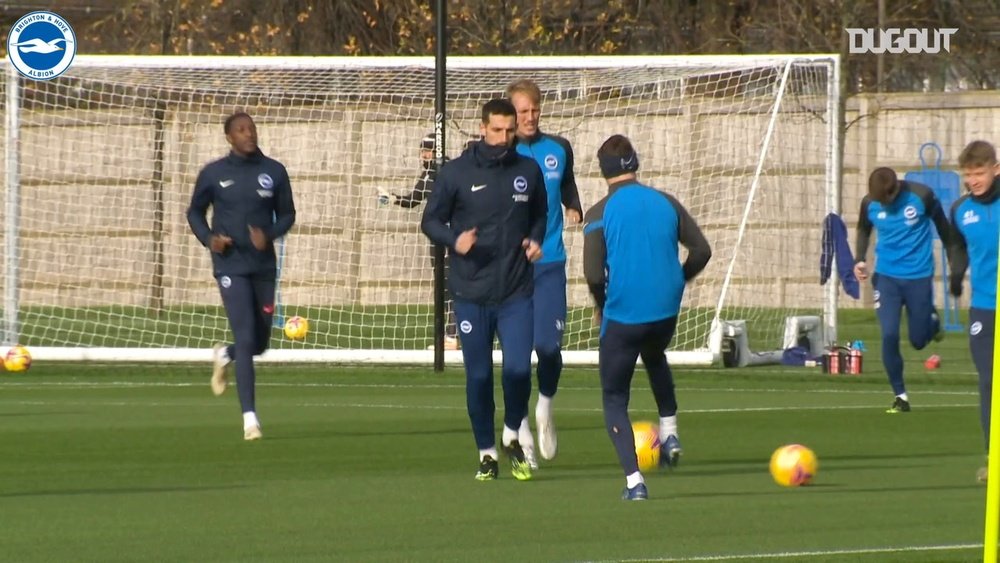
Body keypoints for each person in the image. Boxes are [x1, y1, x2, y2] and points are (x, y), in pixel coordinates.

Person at [421, 99, 547, 481]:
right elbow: (430, 220)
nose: (505, 138)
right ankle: (487, 453)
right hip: (471, 292)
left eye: (510, 131)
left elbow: (539, 213)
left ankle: (511, 433)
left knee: (518, 369)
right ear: (482, 129)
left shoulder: (528, 170)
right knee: (478, 377)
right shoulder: (456, 173)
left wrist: (536, 239)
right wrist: (454, 239)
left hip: (515, 290)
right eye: (497, 131)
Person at [582, 134, 711, 500]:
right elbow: (702, 250)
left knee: (614, 398)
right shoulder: (666, 202)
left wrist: (601, 304)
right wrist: (678, 280)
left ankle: (634, 482)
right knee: (654, 355)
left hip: (624, 316)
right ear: (635, 163)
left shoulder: (598, 214)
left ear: (603, 171)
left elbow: (593, 274)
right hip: (665, 312)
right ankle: (669, 433)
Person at [186, 111, 296, 441]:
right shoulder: (214, 173)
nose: (249, 134)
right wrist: (210, 239)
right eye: (241, 130)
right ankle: (250, 419)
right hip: (230, 266)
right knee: (246, 335)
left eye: (252, 128)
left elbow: (288, 214)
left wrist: (270, 234)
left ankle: (226, 354)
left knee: (259, 344)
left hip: (262, 266)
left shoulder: (273, 171)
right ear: (229, 137)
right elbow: (194, 211)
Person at [507, 78, 583, 467]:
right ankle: (521, 437)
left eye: (534, 109)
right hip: (509, 271)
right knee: (516, 358)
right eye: (522, 111)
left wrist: (573, 207)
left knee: (548, 349)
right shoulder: (499, 153)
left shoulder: (559, 149)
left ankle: (545, 408)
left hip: (550, 263)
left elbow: (568, 187)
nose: (530, 117)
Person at [854, 167, 949, 414]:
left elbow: (943, 226)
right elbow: (864, 229)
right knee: (888, 335)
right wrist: (860, 259)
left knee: (918, 341)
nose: (885, 204)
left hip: (919, 276)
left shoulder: (922, 195)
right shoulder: (869, 203)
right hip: (887, 279)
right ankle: (900, 395)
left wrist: (956, 254)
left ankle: (932, 321)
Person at [947, 140, 1000, 483]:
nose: (973, 180)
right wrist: (956, 273)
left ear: (995, 169)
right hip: (983, 307)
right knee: (987, 382)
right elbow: (957, 245)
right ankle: (993, 457)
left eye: (979, 173)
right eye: (968, 175)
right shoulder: (960, 210)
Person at [379, 132, 458, 349]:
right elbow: (414, 199)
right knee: (442, 286)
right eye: (422, 151)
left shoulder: (449, 171)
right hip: (437, 238)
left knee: (453, 285)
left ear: (436, 151)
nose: (423, 155)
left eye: (427, 150)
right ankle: (449, 336)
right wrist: (393, 198)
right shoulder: (427, 175)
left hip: (452, 237)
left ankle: (454, 336)